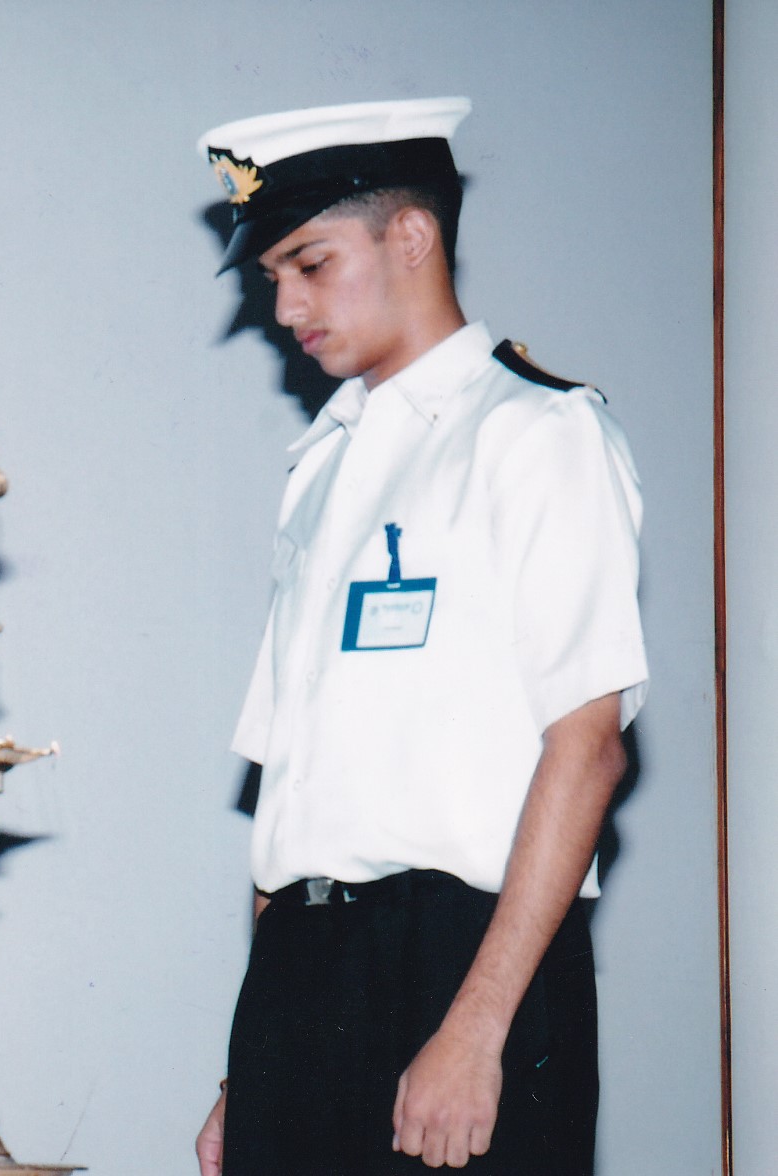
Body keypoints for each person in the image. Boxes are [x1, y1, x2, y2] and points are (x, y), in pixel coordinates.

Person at [189, 99, 648, 1173]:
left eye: (311, 264)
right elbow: (294, 795)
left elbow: (587, 748)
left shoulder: (535, 434)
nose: (286, 307)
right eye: (273, 279)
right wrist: (245, 1071)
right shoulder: (323, 470)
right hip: (303, 975)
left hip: (461, 962)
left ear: (411, 235)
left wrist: (477, 1029)